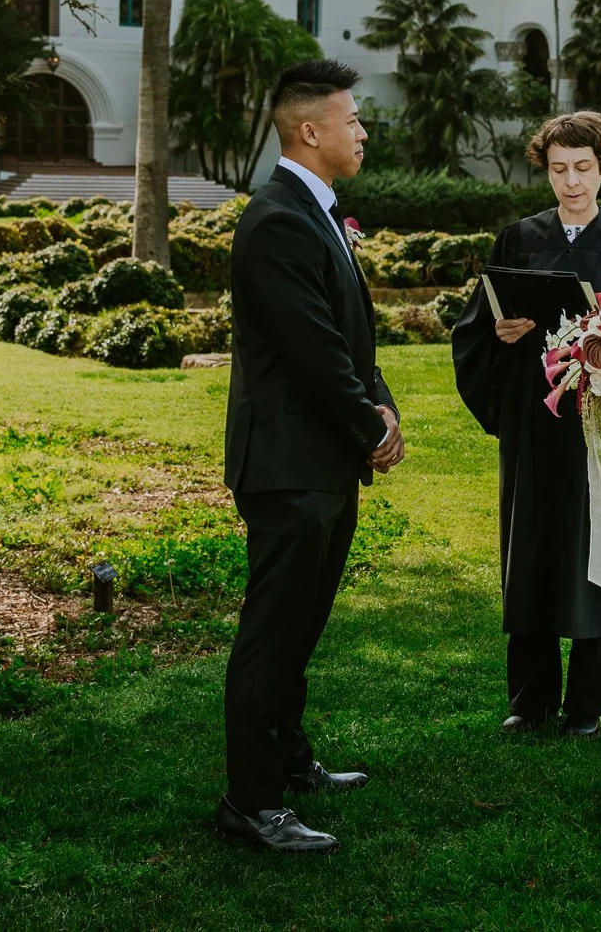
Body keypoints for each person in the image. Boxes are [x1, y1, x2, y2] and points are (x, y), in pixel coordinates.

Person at [217, 59, 405, 855]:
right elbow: (312, 349)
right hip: (291, 465)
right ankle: (253, 802)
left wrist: (381, 399)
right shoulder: (279, 218)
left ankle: (290, 762)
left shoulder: (314, 210)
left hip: (321, 461)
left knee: (300, 629)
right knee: (271, 634)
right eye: (352, 118)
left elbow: (346, 330)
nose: (361, 130)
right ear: (309, 130)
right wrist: (369, 424)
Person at [452, 112, 601, 737]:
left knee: (597, 549)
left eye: (582, 169)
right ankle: (530, 697)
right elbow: (477, 328)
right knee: (532, 549)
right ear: (544, 169)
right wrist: (500, 334)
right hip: (533, 418)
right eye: (558, 170)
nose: (571, 183)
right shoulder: (518, 239)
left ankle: (589, 704)